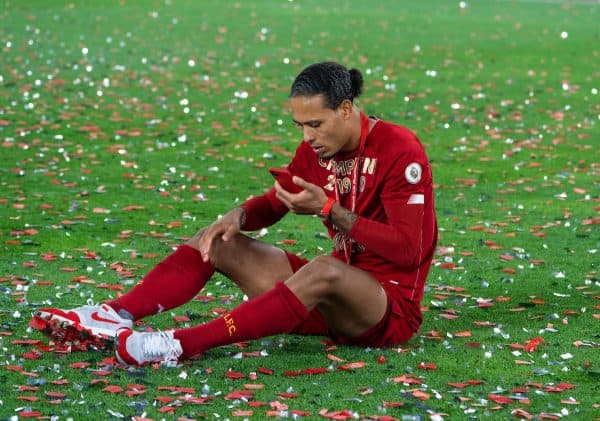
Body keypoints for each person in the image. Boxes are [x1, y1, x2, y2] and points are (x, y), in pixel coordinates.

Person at [30, 61, 438, 366]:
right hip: (327, 306)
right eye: (299, 125)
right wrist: (237, 216)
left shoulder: (400, 149)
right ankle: (116, 313)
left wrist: (331, 211)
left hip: (387, 311)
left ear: (346, 109)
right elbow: (275, 202)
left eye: (315, 124)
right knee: (219, 240)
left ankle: (177, 344)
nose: (307, 137)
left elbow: (408, 251)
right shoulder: (315, 151)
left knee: (322, 270)